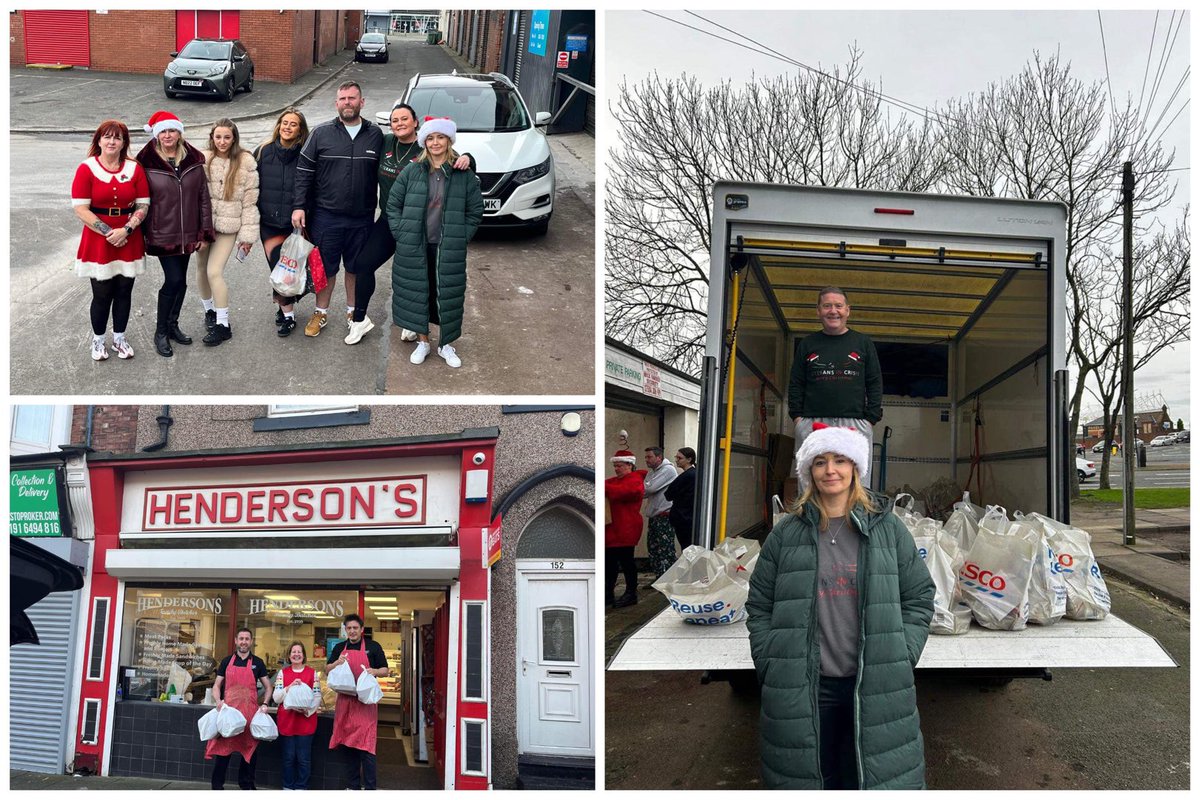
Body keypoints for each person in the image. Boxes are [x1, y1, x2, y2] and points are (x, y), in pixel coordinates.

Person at [746, 423, 934, 790]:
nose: (830, 470)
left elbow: (919, 597)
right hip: (806, 683)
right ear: (809, 472)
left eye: (840, 460)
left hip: (875, 681)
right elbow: (760, 604)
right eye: (820, 462)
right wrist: (770, 657)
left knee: (868, 776)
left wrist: (901, 651)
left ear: (855, 469)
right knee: (815, 776)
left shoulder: (888, 530)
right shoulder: (786, 534)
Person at [345, 102, 473, 346]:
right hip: (389, 220)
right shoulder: (385, 142)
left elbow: (458, 163)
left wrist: (469, 158)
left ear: (416, 123)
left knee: (420, 277)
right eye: (395, 120)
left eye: (405, 119)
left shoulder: (427, 145)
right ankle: (359, 319)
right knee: (362, 264)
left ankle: (415, 325)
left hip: (420, 226)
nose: (399, 123)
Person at [386, 116, 484, 368]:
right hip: (415, 245)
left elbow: (475, 211)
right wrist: (401, 232)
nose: (436, 142)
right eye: (430, 138)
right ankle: (423, 342)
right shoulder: (412, 170)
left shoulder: (462, 173)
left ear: (449, 140)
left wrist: (462, 236)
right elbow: (393, 204)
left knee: (447, 296)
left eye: (441, 137)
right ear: (424, 141)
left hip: (447, 246)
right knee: (419, 293)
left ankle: (445, 345)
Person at [292, 81, 384, 338]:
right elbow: (303, 172)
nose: (347, 102)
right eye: (342, 98)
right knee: (327, 269)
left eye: (352, 98)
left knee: (355, 268)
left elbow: (403, 155)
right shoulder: (321, 134)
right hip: (326, 216)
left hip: (362, 218)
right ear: (336, 103)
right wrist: (299, 206)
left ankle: (354, 315)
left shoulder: (375, 135)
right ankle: (321, 312)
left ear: (361, 102)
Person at [136, 110, 215, 357]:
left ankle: (172, 326)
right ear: (156, 135)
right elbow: (140, 200)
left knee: (181, 281)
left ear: (179, 133)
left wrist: (204, 232)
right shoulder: (146, 163)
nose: (167, 135)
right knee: (174, 280)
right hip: (163, 233)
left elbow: (203, 198)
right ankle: (161, 332)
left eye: (172, 130)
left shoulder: (192, 160)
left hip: (189, 232)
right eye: (163, 131)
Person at [787, 287, 883, 485]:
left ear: (848, 310)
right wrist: (797, 418)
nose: (833, 311)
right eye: (827, 306)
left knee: (856, 485)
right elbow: (796, 382)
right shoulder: (807, 344)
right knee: (811, 485)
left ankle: (854, 518)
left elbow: (874, 382)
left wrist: (870, 419)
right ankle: (813, 517)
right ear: (818, 311)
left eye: (838, 306)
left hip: (854, 424)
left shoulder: (863, 343)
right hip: (812, 423)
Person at [71, 120, 150, 361]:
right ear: (98, 141)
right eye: (107, 137)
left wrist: (126, 229)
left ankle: (119, 338)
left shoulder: (134, 168)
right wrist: (108, 232)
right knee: (102, 292)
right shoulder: (87, 169)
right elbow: (81, 208)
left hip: (130, 236)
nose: (112, 141)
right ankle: (98, 341)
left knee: (125, 291)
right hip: (98, 241)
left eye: (117, 138)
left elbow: (143, 204)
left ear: (124, 142)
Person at [196, 119, 259, 346]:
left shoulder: (245, 161)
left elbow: (250, 202)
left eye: (227, 137)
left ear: (234, 138)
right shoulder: (202, 159)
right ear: (212, 137)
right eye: (218, 137)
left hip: (229, 226)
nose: (222, 142)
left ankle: (223, 324)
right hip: (203, 225)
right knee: (201, 268)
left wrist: (247, 237)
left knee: (214, 271)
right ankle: (209, 311)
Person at [255, 107, 310, 336]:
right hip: (269, 223)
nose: (288, 127)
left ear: (300, 130)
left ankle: (285, 305)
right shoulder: (262, 151)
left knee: (291, 271)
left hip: (295, 224)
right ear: (279, 125)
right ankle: (287, 314)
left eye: (293, 124)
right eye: (285, 122)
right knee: (278, 267)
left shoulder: (306, 154)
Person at [327, 613, 389, 790]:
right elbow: (327, 669)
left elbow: (385, 670)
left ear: (362, 630)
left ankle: (370, 788)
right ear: (345, 630)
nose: (352, 631)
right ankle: (353, 786)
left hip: (365, 704)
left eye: (355, 628)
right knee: (349, 746)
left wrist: (374, 671)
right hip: (345, 703)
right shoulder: (340, 647)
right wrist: (337, 663)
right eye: (349, 628)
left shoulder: (373, 646)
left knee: (367, 747)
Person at [208, 627, 273, 790]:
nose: (244, 642)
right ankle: (217, 787)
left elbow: (269, 687)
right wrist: (218, 700)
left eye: (247, 639)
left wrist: (265, 703)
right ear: (236, 641)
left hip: (250, 716)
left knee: (249, 753)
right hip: (228, 715)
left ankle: (247, 786)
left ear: (251, 642)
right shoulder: (226, 661)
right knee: (223, 751)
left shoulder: (257, 663)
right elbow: (217, 685)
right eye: (241, 638)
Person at [272, 641, 321, 790]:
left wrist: (307, 710)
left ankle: (301, 787)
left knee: (304, 760)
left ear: (304, 655)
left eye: (299, 652)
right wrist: (289, 687)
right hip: (287, 722)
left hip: (306, 723)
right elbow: (276, 698)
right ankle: (288, 787)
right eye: (293, 652)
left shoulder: (312, 674)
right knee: (288, 759)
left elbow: (317, 696)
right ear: (289, 655)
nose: (296, 654)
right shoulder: (282, 673)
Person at [604, 449, 645, 608]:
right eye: (615, 466)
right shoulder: (615, 481)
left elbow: (627, 492)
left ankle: (631, 593)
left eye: (619, 466)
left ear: (629, 465)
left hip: (626, 528)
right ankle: (607, 594)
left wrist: (605, 488)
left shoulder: (635, 479)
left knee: (627, 562)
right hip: (613, 528)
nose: (616, 469)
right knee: (609, 564)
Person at [642, 446, 678, 578]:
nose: (646, 460)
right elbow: (644, 492)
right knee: (653, 549)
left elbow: (649, 489)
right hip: (654, 515)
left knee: (666, 549)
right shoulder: (651, 472)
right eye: (646, 457)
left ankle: (670, 580)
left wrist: (643, 488)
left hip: (664, 516)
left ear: (659, 457)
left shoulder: (668, 470)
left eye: (649, 457)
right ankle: (659, 578)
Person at [663, 447, 697, 550]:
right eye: (676, 457)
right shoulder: (695, 474)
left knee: (686, 548)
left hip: (683, 518)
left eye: (679, 458)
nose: (676, 460)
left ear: (689, 459)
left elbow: (668, 495)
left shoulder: (686, 476)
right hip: (689, 517)